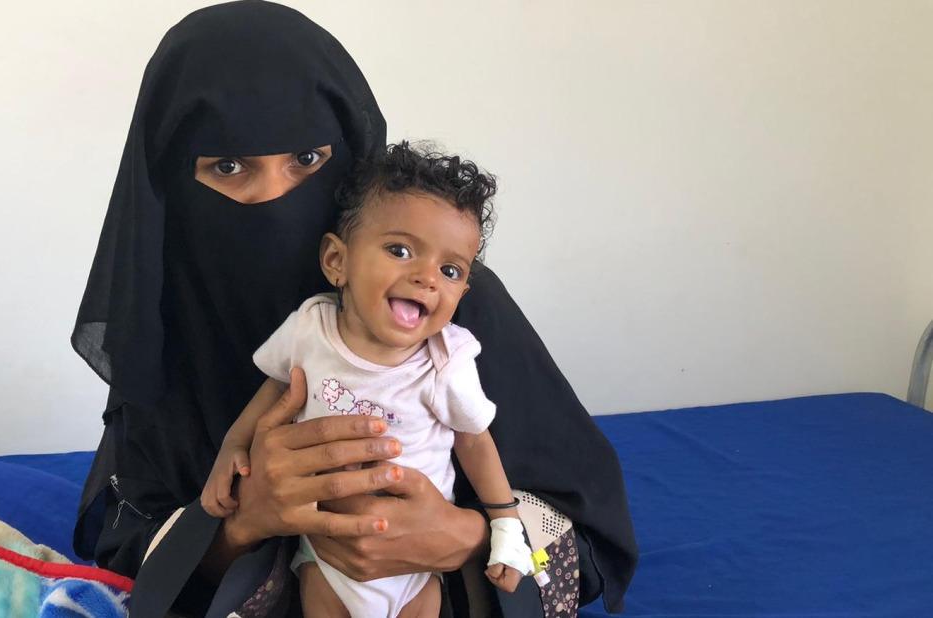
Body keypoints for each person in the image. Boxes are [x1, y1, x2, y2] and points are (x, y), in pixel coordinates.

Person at [70, 2, 637, 617]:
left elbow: (591, 536)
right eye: (228, 167)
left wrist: (464, 538)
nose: (273, 201)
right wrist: (240, 524)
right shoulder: (168, 323)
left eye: (307, 160)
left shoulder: (444, 311)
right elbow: (126, 548)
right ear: (169, 183)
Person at [202, 142, 534, 617]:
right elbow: (278, 388)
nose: (427, 278)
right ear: (337, 261)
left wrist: (503, 523)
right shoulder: (310, 328)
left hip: (415, 554)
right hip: (325, 547)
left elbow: (475, 440)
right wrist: (233, 446)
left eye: (450, 269)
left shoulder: (447, 359)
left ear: (464, 289)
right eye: (400, 250)